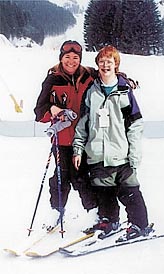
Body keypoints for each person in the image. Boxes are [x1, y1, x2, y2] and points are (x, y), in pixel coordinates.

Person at [72, 45, 153, 241]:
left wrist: (134, 153)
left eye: (110, 61)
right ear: (97, 65)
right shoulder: (91, 92)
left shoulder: (124, 91)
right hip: (97, 155)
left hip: (121, 154)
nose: (105, 64)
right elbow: (82, 124)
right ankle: (110, 221)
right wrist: (78, 149)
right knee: (104, 193)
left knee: (130, 192)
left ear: (116, 65)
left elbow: (135, 124)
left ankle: (139, 225)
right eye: (102, 61)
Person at [34, 40, 99, 231]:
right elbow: (39, 111)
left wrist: (124, 79)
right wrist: (53, 109)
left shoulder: (89, 76)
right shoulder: (53, 79)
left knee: (81, 176)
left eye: (75, 58)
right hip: (61, 140)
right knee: (61, 177)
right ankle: (57, 210)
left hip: (84, 138)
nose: (71, 61)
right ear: (61, 58)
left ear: (80, 59)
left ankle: (93, 211)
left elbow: (108, 75)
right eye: (67, 57)